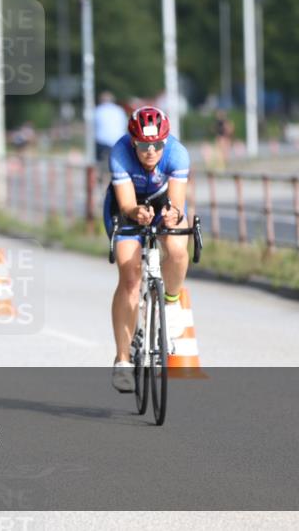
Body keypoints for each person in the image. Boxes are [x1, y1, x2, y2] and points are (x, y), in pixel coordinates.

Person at [103, 106, 191, 393]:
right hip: (127, 208)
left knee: (176, 248)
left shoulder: (178, 154)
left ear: (165, 142)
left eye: (157, 145)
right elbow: (127, 204)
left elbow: (177, 204)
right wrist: (135, 212)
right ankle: (123, 360)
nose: (150, 151)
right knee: (130, 277)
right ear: (133, 143)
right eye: (143, 146)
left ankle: (170, 302)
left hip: (163, 201)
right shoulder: (119, 154)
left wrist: (172, 215)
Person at [93, 91, 127, 164]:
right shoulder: (119, 110)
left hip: (101, 142)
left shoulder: (98, 110)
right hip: (117, 141)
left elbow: (91, 127)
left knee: (98, 160)